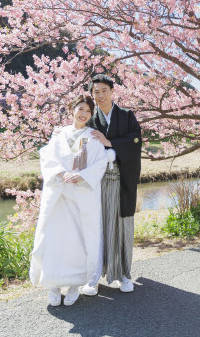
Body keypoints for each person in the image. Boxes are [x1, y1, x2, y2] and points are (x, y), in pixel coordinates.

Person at [29, 94, 115, 306]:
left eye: (88, 110)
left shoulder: (93, 136)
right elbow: (47, 157)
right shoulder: (59, 134)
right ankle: (53, 285)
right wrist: (60, 173)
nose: (84, 114)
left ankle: (75, 284)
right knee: (54, 238)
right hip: (59, 194)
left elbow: (101, 161)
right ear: (71, 109)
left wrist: (82, 175)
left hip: (80, 195)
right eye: (80, 109)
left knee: (78, 240)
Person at [80, 74, 142, 296]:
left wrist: (111, 144)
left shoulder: (126, 116)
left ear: (112, 91)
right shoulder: (91, 118)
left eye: (104, 90)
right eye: (95, 92)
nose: (100, 95)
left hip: (120, 179)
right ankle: (93, 275)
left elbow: (136, 140)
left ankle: (124, 274)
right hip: (96, 183)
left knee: (121, 226)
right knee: (96, 227)